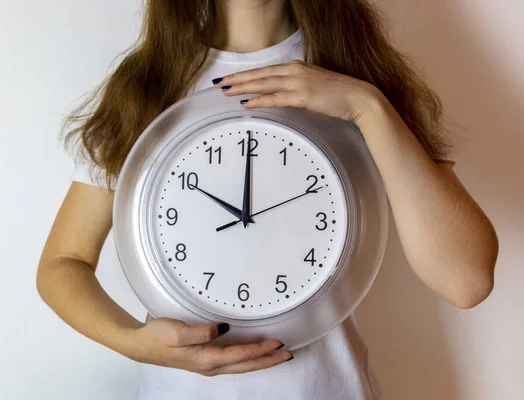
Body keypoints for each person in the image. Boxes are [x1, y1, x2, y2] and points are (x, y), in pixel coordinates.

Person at [36, 1, 499, 399]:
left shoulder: (358, 76)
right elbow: (64, 262)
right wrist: (133, 342)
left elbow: (467, 281)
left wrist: (366, 106)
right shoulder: (147, 86)